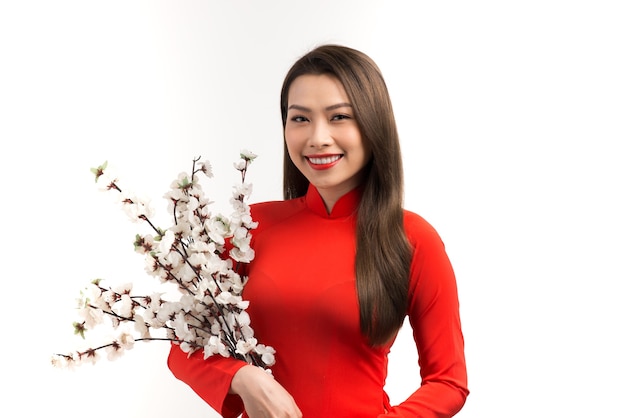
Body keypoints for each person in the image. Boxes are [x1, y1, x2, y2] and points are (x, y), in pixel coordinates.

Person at [168, 44, 469, 417]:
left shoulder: (413, 238)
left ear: (373, 124)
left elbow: (448, 381)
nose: (318, 137)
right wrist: (242, 378)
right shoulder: (249, 229)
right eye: (300, 119)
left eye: (339, 116)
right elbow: (185, 344)